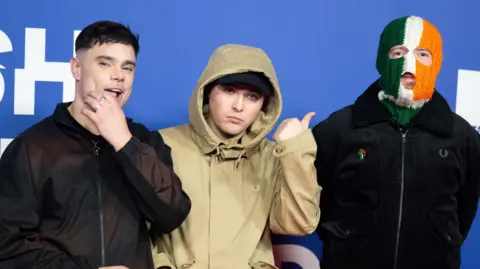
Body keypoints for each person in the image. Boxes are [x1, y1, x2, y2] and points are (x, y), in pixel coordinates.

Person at [0, 21, 191, 269]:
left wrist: (125, 142)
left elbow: (172, 213)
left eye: (128, 67)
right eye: (104, 63)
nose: (118, 76)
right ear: (76, 68)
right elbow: (8, 244)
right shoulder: (32, 147)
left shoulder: (145, 141)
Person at [312, 15, 480, 269]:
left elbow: (465, 207)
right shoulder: (339, 128)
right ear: (382, 60)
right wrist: (345, 235)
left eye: (423, 54)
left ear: (436, 63)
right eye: (398, 52)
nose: (409, 64)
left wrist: (442, 239)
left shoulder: (462, 136)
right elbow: (318, 200)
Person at [150, 44, 321, 269]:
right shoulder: (162, 145)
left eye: (252, 96)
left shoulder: (273, 156)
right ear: (208, 90)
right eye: (229, 91)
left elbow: (299, 224)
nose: (238, 106)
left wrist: (295, 151)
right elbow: (133, 228)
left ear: (264, 105)